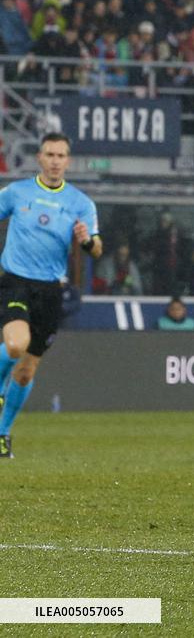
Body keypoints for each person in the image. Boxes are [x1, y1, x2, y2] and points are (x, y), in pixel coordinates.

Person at [0, 133, 102, 458]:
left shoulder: (81, 203)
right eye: (50, 154)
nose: (56, 160)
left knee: (27, 371)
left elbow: (97, 249)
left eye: (61, 155)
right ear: (40, 158)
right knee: (15, 344)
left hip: (49, 290)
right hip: (15, 281)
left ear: (68, 161)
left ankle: (2, 434)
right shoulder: (17, 192)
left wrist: (86, 241)